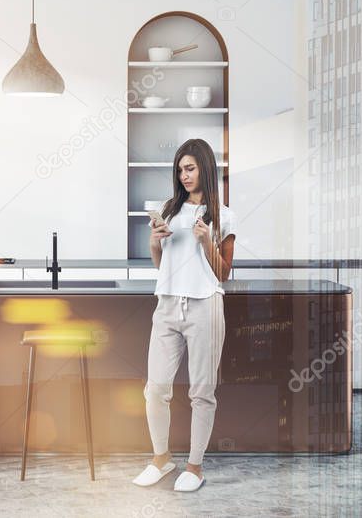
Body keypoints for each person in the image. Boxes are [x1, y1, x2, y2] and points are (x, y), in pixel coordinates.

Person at [132, 138, 236, 492]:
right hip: (167, 305)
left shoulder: (223, 215)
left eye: (189, 168)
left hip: (205, 306)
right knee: (155, 388)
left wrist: (207, 242)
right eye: (179, 169)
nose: (184, 175)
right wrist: (153, 242)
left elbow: (223, 274)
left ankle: (194, 466)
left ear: (205, 168)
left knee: (201, 392)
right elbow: (163, 265)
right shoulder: (169, 208)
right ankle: (161, 459)